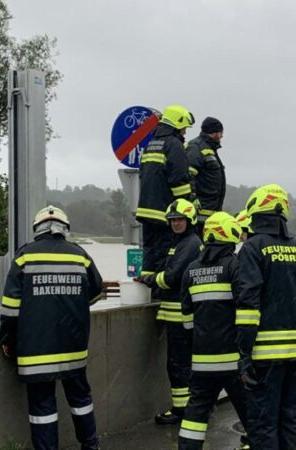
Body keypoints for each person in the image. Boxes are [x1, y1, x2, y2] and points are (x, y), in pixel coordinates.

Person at [0, 205, 103, 450]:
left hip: (36, 349)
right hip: (73, 348)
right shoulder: (80, 255)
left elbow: (11, 307)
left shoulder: (25, 256)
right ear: (65, 229)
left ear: (37, 228)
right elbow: (96, 291)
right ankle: (91, 445)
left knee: (42, 408)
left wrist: (8, 340)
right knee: (81, 400)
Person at [178, 212, 249, 450]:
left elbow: (186, 316)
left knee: (196, 411)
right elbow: (246, 307)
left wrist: (197, 340)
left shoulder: (191, 270)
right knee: (249, 408)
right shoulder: (235, 265)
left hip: (201, 359)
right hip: (232, 360)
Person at [236, 184, 296, 450]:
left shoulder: (253, 248)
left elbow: (248, 305)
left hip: (264, 357)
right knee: (290, 422)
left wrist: (245, 354)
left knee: (263, 425)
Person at [137, 199, 202, 424]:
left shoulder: (190, 243)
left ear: (189, 220)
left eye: (180, 220)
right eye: (173, 220)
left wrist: (149, 279)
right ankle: (188, 409)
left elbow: (172, 277)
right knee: (179, 364)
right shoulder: (182, 242)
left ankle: (182, 411)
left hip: (181, 317)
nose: (175, 224)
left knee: (179, 365)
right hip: (177, 315)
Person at [136, 105, 195, 277]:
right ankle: (159, 293)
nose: (184, 132)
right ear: (177, 124)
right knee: (165, 254)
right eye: (184, 128)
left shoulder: (151, 144)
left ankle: (147, 287)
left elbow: (144, 175)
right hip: (165, 212)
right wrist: (186, 206)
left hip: (146, 210)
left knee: (149, 253)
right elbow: (179, 180)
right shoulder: (174, 145)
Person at [186, 117, 225, 238]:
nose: (222, 136)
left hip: (211, 211)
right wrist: (192, 197)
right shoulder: (196, 147)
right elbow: (188, 174)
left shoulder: (209, 148)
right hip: (201, 211)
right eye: (221, 133)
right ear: (215, 133)